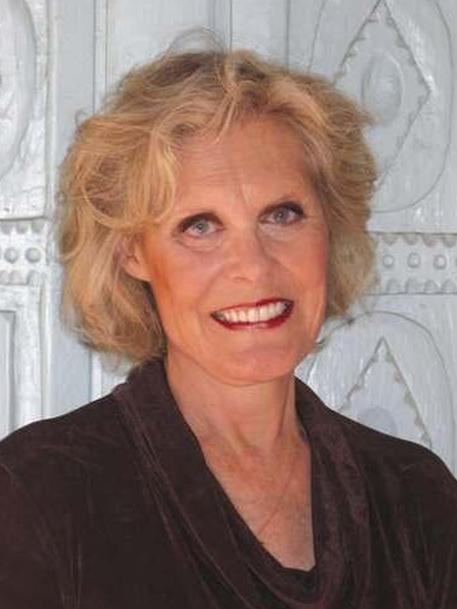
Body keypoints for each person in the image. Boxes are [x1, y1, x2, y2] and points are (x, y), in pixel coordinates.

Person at [0, 46, 456, 609]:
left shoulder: (416, 496)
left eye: (282, 215)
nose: (254, 267)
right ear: (131, 253)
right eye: (200, 226)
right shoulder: (40, 495)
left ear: (330, 226)